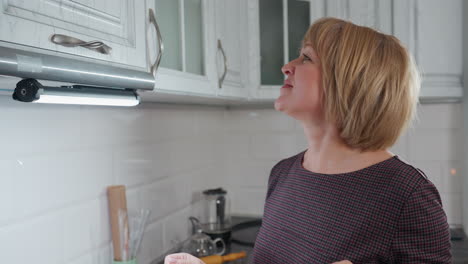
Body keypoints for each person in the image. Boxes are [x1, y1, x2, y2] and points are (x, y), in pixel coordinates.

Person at [165, 17, 452, 264]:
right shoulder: (283, 173)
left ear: (350, 81)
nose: (287, 67)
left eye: (306, 58)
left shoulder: (408, 196)